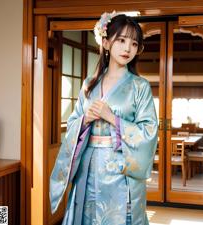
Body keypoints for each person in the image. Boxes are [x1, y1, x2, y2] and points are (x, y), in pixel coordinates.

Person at [49, 11, 159, 225]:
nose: (128, 48)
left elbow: (149, 131)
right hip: (89, 168)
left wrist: (112, 118)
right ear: (106, 43)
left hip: (121, 169)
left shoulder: (140, 86)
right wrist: (85, 120)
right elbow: (73, 122)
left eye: (134, 44)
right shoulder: (89, 83)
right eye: (121, 40)